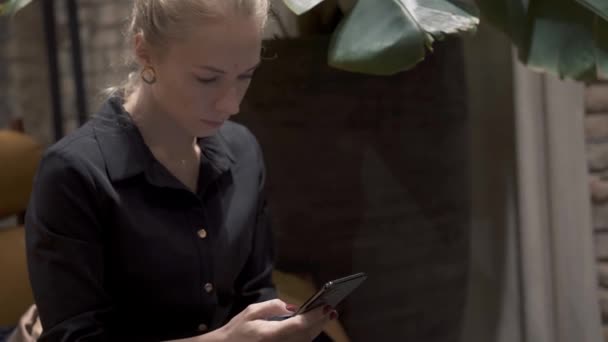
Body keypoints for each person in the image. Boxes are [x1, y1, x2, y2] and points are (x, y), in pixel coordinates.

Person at [24, 0, 336, 341]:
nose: (232, 104)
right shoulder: (74, 175)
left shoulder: (242, 151)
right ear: (144, 52)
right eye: (207, 79)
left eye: (246, 75)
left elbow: (255, 293)